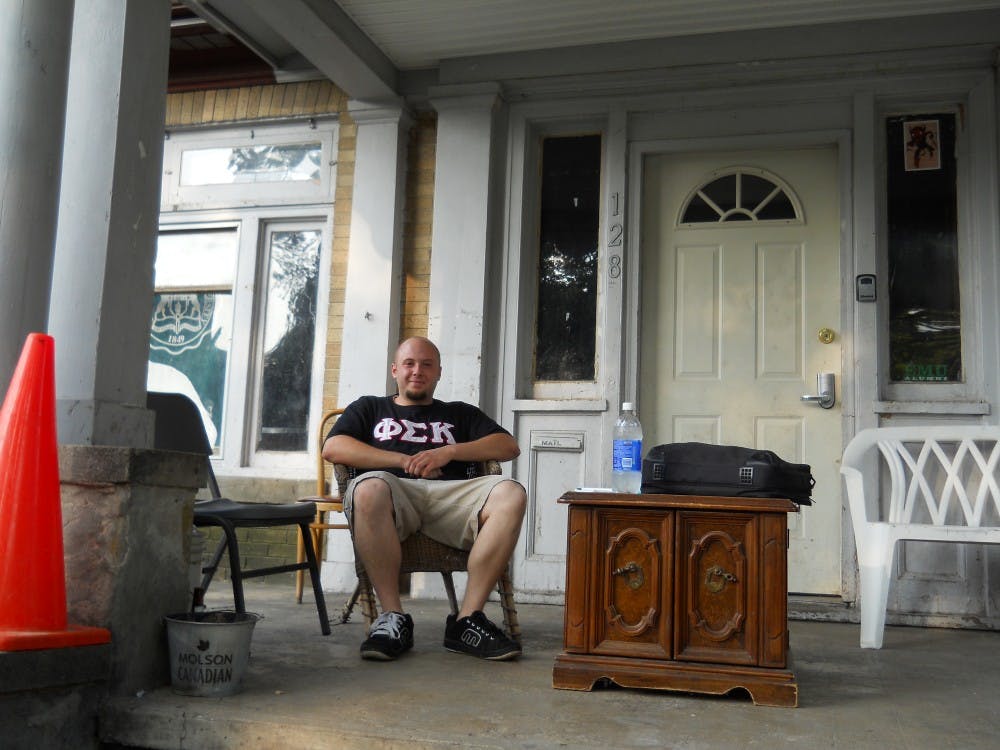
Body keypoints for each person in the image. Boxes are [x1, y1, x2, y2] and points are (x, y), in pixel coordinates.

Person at [323, 336, 526, 662]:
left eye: (426, 364)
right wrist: (403, 462)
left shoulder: (459, 413)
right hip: (394, 495)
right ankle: (393, 618)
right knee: (368, 488)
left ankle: (467, 620)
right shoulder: (370, 408)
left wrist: (449, 451)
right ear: (395, 370)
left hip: (451, 498)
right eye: (409, 363)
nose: (418, 371)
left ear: (439, 372)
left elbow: (507, 446)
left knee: (511, 493)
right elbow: (333, 448)